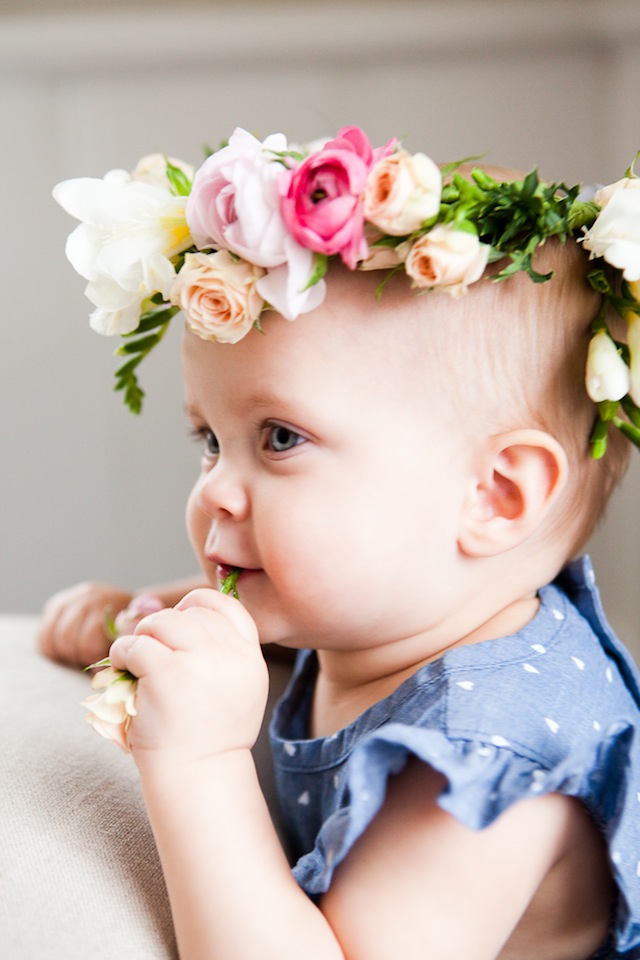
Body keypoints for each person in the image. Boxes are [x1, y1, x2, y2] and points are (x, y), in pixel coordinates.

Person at [46, 127, 640, 959]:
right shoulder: (405, 611)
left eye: (281, 438)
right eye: (210, 440)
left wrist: (200, 761)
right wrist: (155, 618)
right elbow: (318, 606)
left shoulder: (483, 761)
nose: (214, 486)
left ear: (496, 496)